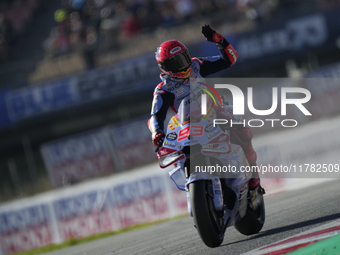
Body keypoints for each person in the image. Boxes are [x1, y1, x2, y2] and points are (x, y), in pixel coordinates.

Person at [147, 25, 260, 189]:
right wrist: (157, 132)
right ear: (165, 67)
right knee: (172, 150)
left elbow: (230, 60)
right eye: (176, 62)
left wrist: (219, 41)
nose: (184, 64)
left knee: (242, 130)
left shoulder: (196, 65)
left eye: (184, 57)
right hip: (185, 124)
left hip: (214, 112)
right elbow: (155, 117)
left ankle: (253, 176)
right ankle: (192, 180)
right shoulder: (162, 90)